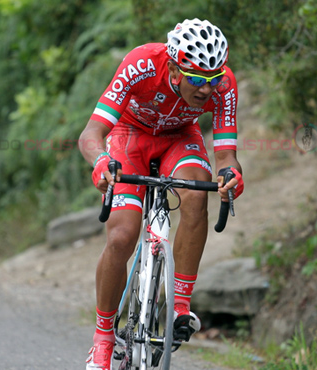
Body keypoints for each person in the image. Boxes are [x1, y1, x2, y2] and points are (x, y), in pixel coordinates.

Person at [79, 18, 244, 370]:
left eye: (213, 80)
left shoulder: (224, 84)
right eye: (197, 79)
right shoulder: (141, 64)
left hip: (179, 138)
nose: (206, 89)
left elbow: (227, 155)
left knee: (196, 195)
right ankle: (104, 337)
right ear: (172, 67)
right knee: (122, 236)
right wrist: (100, 160)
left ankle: (179, 309)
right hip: (129, 137)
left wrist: (232, 174)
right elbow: (91, 133)